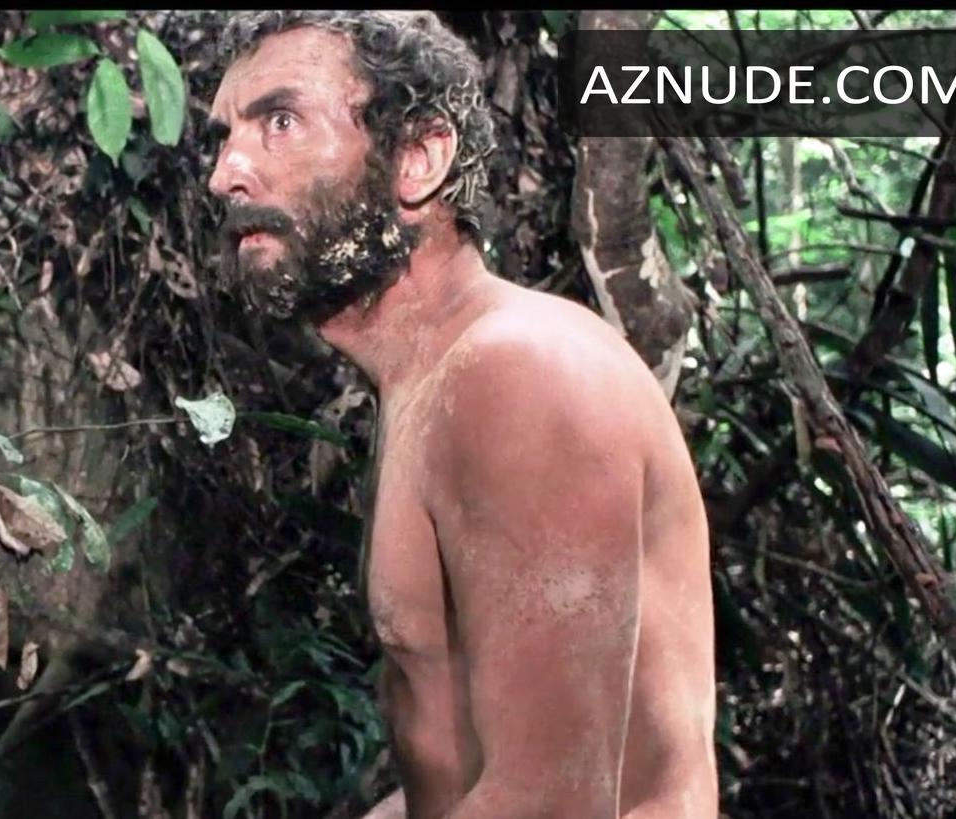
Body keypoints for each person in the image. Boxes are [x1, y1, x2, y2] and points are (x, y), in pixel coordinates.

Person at [206, 12, 718, 819]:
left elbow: (557, 805)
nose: (225, 174)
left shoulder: (518, 375)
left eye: (281, 121)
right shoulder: (433, 379)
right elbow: (464, 774)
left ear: (418, 158)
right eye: (226, 135)